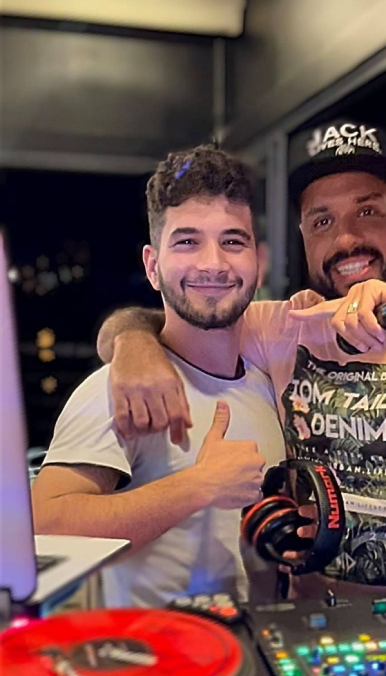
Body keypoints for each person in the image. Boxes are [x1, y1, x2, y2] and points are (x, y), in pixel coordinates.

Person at [96, 119, 386, 592]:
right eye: (322, 221)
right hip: (317, 614)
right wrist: (134, 343)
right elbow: (169, 320)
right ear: (304, 236)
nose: (346, 239)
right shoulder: (282, 324)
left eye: (368, 211)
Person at [32, 145, 285, 607]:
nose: (213, 263)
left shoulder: (269, 380)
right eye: (187, 242)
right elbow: (45, 529)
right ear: (152, 266)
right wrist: (198, 487)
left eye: (233, 241)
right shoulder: (117, 388)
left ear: (259, 261)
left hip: (269, 646)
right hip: (157, 651)